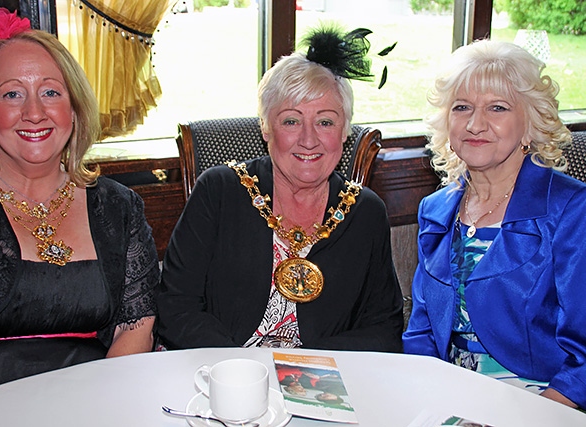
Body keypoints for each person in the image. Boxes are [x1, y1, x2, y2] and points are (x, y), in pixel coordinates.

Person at [0, 8, 160, 402]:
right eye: (12, 94)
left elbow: (137, 327)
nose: (34, 112)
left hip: (91, 402)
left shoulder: (119, 207)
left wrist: (98, 409)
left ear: (74, 108)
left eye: (51, 92)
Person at [157, 25, 404, 351]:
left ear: (344, 131)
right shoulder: (219, 191)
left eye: (325, 121)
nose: (309, 139)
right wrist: (243, 372)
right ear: (265, 126)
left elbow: (384, 328)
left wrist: (303, 373)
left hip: (321, 382)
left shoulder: (365, 211)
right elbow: (175, 307)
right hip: (220, 373)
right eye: (291, 120)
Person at [402, 39, 586, 409]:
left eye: (497, 108)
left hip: (539, 399)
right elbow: (421, 330)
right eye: (462, 108)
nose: (475, 123)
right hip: (445, 395)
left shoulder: (572, 209)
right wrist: (421, 400)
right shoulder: (435, 211)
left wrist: (540, 412)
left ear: (530, 124)